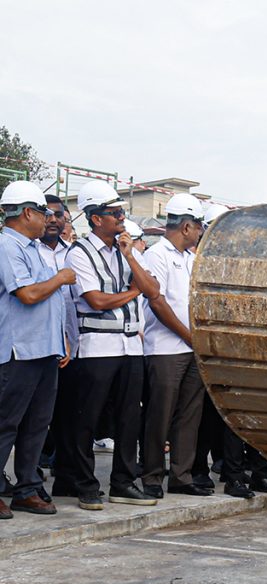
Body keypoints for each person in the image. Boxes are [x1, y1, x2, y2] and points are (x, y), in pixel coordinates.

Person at [57, 180, 161, 510]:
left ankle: (123, 483)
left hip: (130, 347)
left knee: (130, 419)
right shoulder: (79, 253)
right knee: (85, 419)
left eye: (121, 211)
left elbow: (153, 290)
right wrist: (134, 292)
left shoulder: (124, 249)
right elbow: (97, 301)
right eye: (114, 213)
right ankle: (84, 484)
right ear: (96, 218)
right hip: (97, 347)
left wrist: (131, 258)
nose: (121, 217)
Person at [0, 181, 74, 516]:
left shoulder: (32, 248)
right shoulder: (6, 246)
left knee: (36, 425)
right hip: (19, 351)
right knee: (7, 423)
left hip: (44, 350)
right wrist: (60, 277)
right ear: (27, 212)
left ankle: (26, 488)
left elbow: (50, 301)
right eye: (43, 211)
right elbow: (28, 295)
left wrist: (62, 341)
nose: (48, 218)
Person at [139, 194, 209, 498]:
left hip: (191, 348)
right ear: (186, 226)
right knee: (160, 415)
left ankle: (181, 475)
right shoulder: (157, 255)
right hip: (166, 349)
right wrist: (187, 335)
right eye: (199, 227)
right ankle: (152, 476)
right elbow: (158, 302)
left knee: (189, 415)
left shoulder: (190, 258)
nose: (201, 232)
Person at [38, 195, 79, 479]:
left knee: (69, 414)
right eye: (48, 214)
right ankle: (26, 474)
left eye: (59, 215)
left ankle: (65, 475)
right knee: (33, 417)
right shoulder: (27, 251)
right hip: (38, 346)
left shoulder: (74, 253)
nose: (53, 219)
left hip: (72, 348)